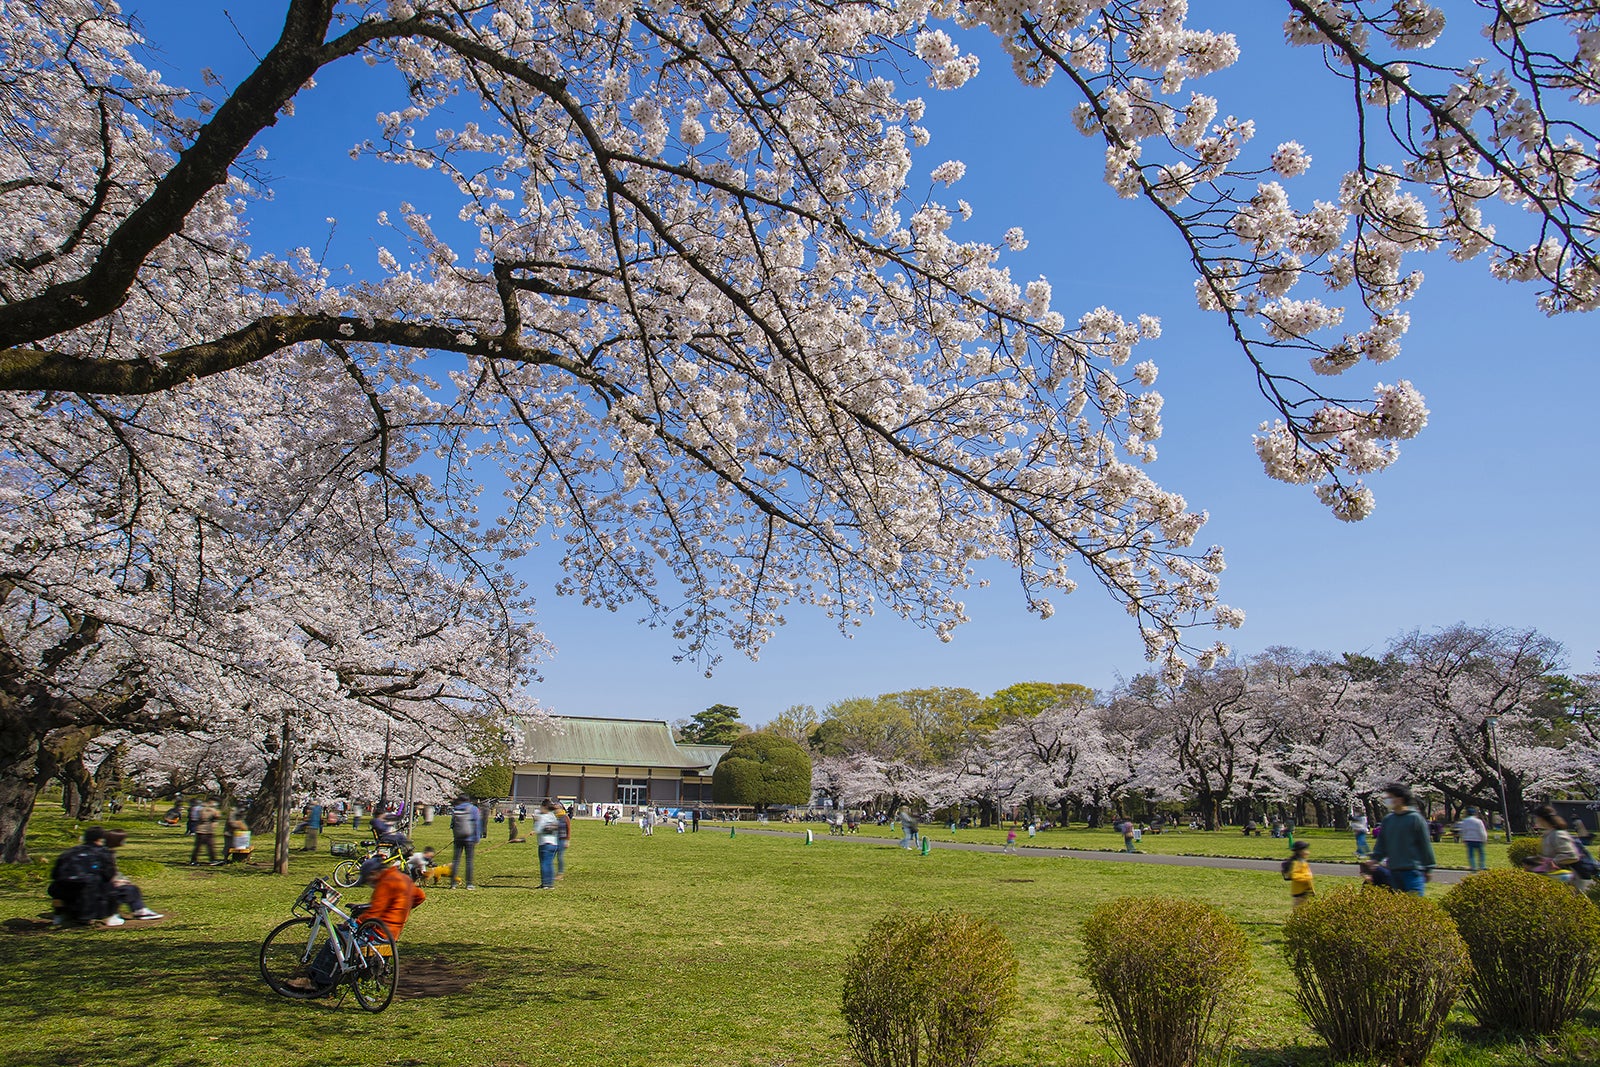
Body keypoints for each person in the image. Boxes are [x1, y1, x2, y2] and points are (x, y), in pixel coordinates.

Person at [1370, 783, 1436, 896]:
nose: (1387, 801)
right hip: (1394, 870)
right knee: (1399, 905)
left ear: (1400, 799)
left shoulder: (1415, 818)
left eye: (1390, 797)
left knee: (1414, 903)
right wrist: (1375, 859)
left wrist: (1428, 867)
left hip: (1413, 871)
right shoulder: (1388, 820)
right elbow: (1382, 844)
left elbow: (1425, 845)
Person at [353, 855, 426, 939]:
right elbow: (420, 896)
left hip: (379, 933)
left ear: (374, 873)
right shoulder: (402, 877)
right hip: (394, 933)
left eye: (368, 880)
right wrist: (401, 908)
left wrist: (356, 923)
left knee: (338, 939)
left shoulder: (385, 883)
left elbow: (373, 913)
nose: (369, 884)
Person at [1528, 803, 1592, 894]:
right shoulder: (1548, 834)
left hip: (1571, 878)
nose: (1534, 820)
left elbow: (1571, 855)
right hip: (1557, 877)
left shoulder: (1558, 834)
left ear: (1541, 818)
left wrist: (1554, 861)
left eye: (1535, 817)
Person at [101, 830, 163, 922]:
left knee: (131, 888)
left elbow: (112, 871)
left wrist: (121, 879)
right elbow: (105, 872)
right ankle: (138, 911)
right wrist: (116, 881)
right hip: (102, 887)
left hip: (106, 884)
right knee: (130, 889)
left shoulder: (108, 852)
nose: (124, 841)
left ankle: (138, 910)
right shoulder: (105, 854)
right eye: (123, 839)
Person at [449, 794, 482, 889]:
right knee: (469, 861)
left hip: (458, 838)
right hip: (470, 838)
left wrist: (455, 835)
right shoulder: (473, 809)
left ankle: (453, 883)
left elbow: (452, 824)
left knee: (455, 861)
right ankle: (469, 884)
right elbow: (476, 824)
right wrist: (477, 837)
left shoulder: (456, 809)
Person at [533, 801, 560, 889]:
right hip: (554, 843)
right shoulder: (553, 816)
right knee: (549, 864)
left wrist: (535, 823)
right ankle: (549, 884)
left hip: (545, 843)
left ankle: (545, 884)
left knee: (544, 864)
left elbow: (538, 828)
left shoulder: (542, 816)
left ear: (544, 807)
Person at [1455, 807, 1489, 872]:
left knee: (1471, 854)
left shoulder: (1465, 821)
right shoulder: (1478, 821)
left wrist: (1463, 838)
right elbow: (1482, 831)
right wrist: (1484, 838)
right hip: (1478, 839)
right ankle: (1482, 866)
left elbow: (1463, 831)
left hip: (1469, 839)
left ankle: (1473, 867)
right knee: (1481, 853)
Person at [190, 796, 221, 865]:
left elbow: (216, 818)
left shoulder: (212, 808)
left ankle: (213, 859)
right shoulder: (204, 808)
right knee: (199, 847)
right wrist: (213, 813)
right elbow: (203, 817)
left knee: (211, 846)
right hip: (202, 830)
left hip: (209, 830)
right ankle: (193, 860)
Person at [1284, 840, 1314, 908]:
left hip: (1305, 891)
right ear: (1299, 852)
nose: (1308, 852)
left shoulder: (1303, 861)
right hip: (1300, 892)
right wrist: (1307, 877)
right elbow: (1295, 876)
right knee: (1299, 909)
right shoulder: (1297, 863)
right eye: (1305, 850)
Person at [556, 804, 572, 876]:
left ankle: (560, 872)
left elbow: (568, 829)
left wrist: (567, 840)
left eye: (557, 808)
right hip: (553, 839)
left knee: (560, 856)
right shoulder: (554, 817)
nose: (556, 810)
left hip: (562, 839)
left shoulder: (565, 817)